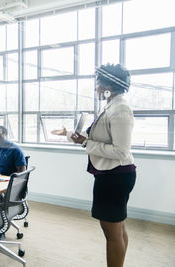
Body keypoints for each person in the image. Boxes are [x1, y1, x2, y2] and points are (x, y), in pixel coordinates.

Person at [52, 63, 136, 267]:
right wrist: (72, 136)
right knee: (116, 228)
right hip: (111, 175)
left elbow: (120, 151)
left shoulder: (121, 108)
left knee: (112, 231)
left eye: (99, 83)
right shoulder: (111, 105)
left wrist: (85, 143)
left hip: (115, 176)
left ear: (110, 84)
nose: (96, 87)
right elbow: (96, 137)